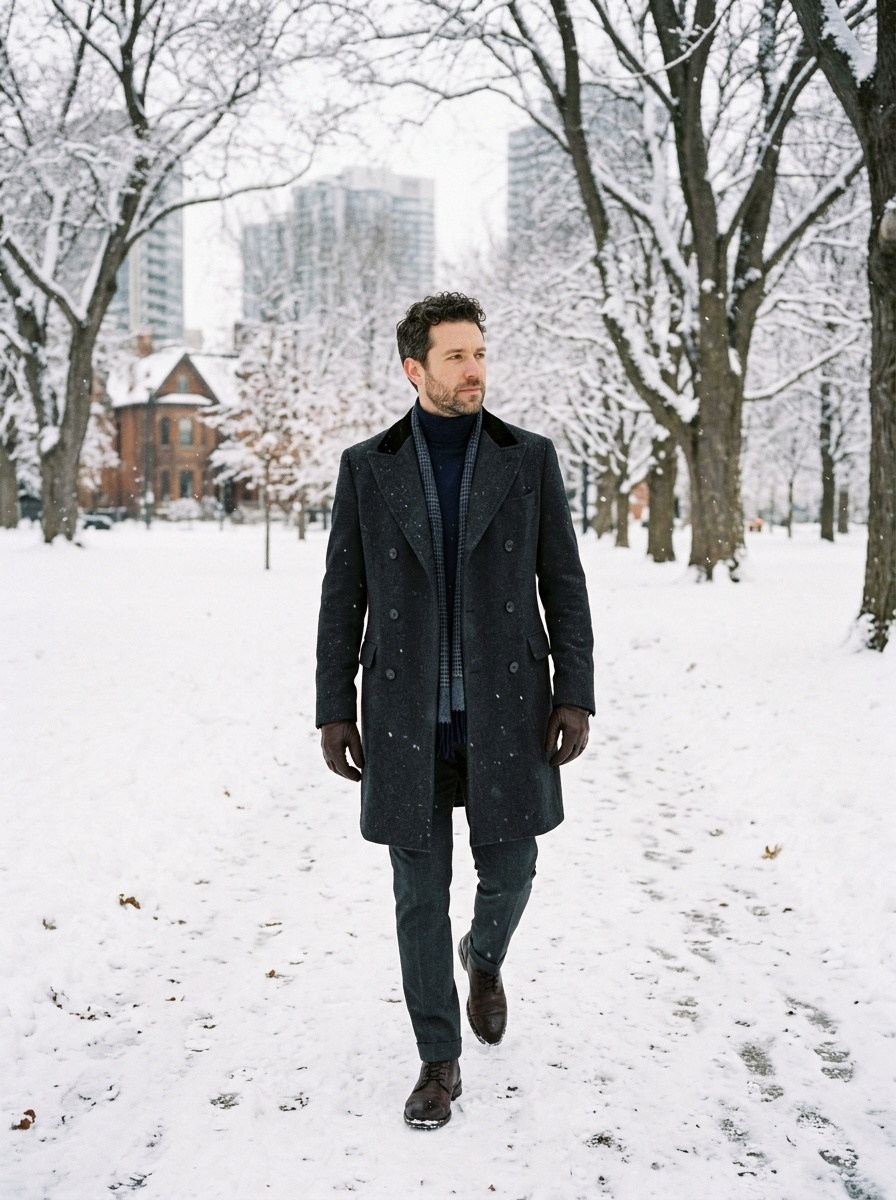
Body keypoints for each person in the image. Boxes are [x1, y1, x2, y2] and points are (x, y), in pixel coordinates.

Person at [316, 292, 594, 1130]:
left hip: (507, 707)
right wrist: (334, 707)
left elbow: (564, 582)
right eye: (456, 357)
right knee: (416, 895)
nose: (474, 370)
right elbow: (342, 596)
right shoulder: (368, 467)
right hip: (404, 714)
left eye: (479, 353)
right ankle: (438, 1060)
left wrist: (574, 691)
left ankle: (486, 955)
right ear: (416, 368)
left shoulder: (528, 458)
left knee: (513, 870)